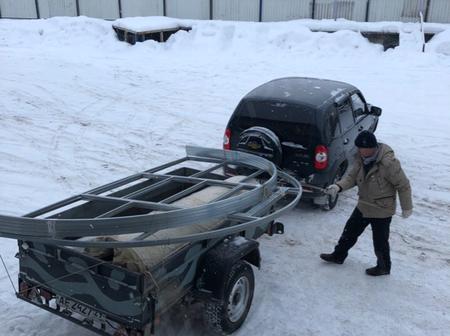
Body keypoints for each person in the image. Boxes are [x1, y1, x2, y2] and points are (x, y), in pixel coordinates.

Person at [320, 131, 413, 276]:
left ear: (372, 147)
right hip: (364, 204)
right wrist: (337, 187)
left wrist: (407, 207)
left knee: (380, 241)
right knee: (349, 232)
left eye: (362, 148)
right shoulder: (361, 159)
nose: (360, 151)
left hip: (382, 209)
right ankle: (338, 256)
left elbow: (403, 185)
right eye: (358, 148)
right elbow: (351, 178)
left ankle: (383, 267)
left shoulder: (389, 164)